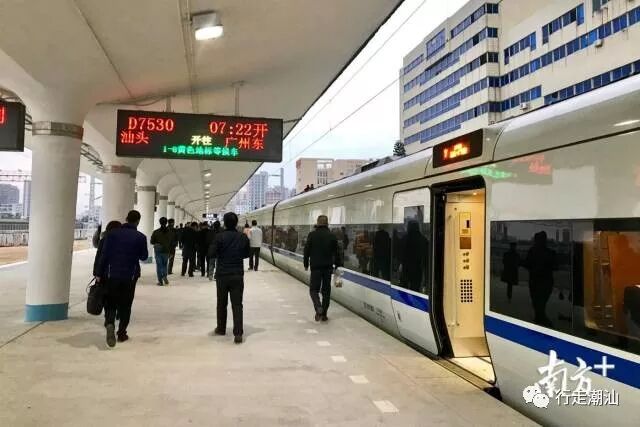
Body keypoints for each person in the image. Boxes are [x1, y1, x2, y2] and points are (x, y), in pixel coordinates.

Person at [96, 210, 148, 347]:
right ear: (138, 221)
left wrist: (99, 274)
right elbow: (144, 256)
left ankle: (110, 323)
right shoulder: (141, 237)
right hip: (130, 276)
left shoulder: (112, 234)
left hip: (111, 275)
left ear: (126, 218)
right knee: (126, 305)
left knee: (110, 302)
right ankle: (122, 333)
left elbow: (104, 256)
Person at [212, 212, 250, 344]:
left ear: (224, 223)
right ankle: (238, 333)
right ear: (236, 223)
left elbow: (211, 253)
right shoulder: (243, 237)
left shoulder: (219, 237)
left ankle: (221, 329)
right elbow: (247, 254)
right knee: (237, 304)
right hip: (237, 275)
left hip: (222, 275)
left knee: (221, 303)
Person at [304, 215, 341, 322]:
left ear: (317, 223)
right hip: (328, 268)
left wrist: (306, 264)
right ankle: (324, 314)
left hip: (315, 267)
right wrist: (337, 265)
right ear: (327, 223)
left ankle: (318, 307)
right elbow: (337, 252)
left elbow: (306, 250)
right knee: (326, 291)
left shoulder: (312, 235)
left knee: (313, 290)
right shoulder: (332, 236)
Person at [524, 231, 556, 327]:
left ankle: (540, 319)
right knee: (540, 303)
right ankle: (540, 319)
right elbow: (555, 266)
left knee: (537, 303)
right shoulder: (550, 253)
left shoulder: (532, 251)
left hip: (536, 282)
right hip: (545, 282)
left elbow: (527, 264)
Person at [150, 217, 172, 286]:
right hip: (166, 250)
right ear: (166, 223)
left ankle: (160, 281)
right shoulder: (170, 232)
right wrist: (171, 252)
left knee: (159, 266)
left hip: (158, 250)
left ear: (160, 222)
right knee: (165, 265)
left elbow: (152, 241)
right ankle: (164, 276)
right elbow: (172, 243)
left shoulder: (156, 232)